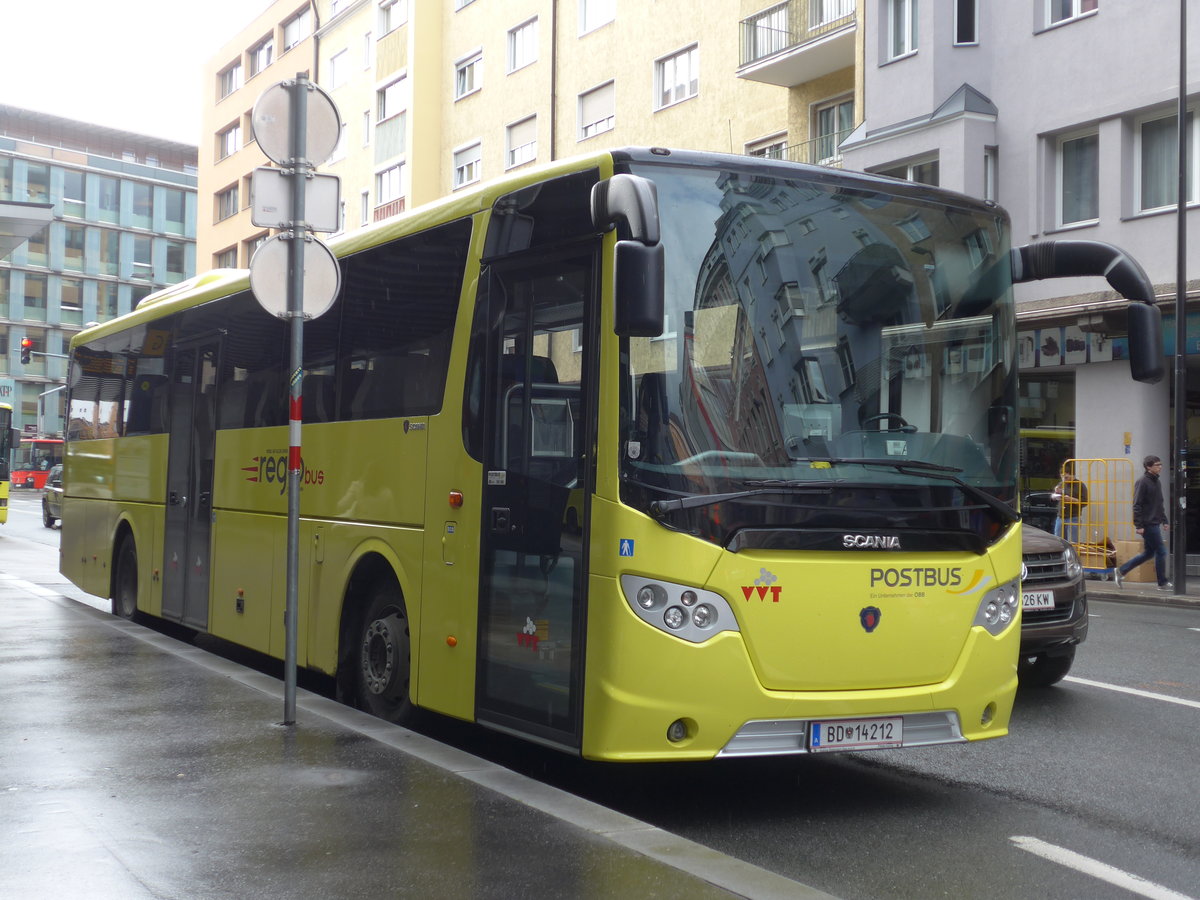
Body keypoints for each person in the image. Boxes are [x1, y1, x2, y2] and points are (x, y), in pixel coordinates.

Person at [1113, 455, 1171, 592]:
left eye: (1160, 464)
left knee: (1149, 553)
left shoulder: (1157, 482)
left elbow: (1159, 503)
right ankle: (1162, 583)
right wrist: (1138, 525)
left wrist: (1164, 520)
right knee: (1161, 551)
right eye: (1157, 465)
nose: (1160, 467)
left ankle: (1121, 571)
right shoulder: (1142, 482)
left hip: (1154, 522)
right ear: (1148, 467)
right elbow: (1137, 505)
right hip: (1147, 523)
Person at [1052, 471, 1088, 545]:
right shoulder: (1062, 484)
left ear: (1073, 475)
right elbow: (1053, 496)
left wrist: (1072, 500)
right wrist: (1056, 494)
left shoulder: (1080, 485)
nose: (1064, 479)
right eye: (1062, 477)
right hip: (1061, 516)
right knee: (1058, 541)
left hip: (1073, 516)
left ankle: (1072, 555)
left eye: (1066, 477)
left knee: (1073, 542)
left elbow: (1084, 502)